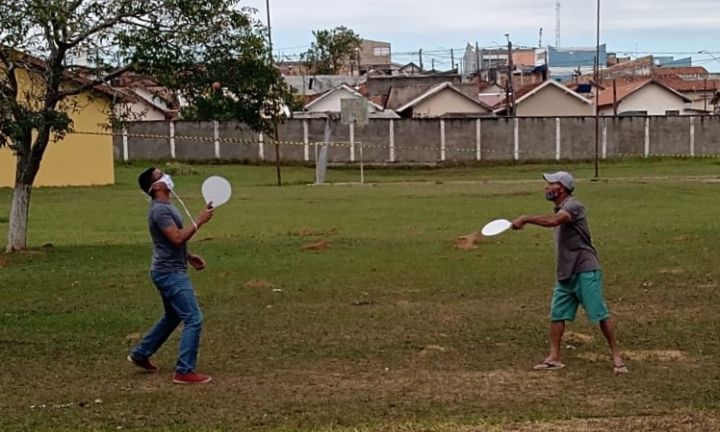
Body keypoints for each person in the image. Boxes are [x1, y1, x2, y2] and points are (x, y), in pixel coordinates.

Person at [511, 171, 627, 374]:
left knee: (599, 313)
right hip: (565, 271)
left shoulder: (574, 206)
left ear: (562, 188)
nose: (546, 188)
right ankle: (554, 357)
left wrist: (526, 219)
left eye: (551, 184)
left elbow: (555, 221)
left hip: (585, 269)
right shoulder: (559, 208)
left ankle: (617, 356)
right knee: (557, 315)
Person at [128, 167, 215, 384]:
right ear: (156, 186)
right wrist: (199, 221)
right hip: (169, 274)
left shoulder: (167, 206)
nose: (167, 176)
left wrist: (188, 256)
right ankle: (184, 371)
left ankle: (141, 354)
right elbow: (176, 238)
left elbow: (170, 242)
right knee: (193, 318)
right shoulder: (160, 211)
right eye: (161, 175)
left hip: (169, 269)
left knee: (173, 316)